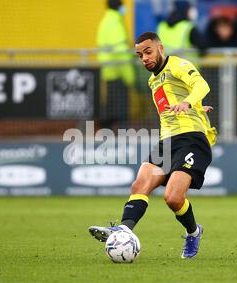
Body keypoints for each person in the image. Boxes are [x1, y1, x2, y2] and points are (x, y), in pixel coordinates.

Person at [89, 32, 217, 260]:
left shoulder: (177, 64)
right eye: (139, 55)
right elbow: (172, 106)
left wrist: (189, 102)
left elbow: (201, 85)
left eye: (148, 52)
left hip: (192, 140)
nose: (144, 58)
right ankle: (124, 229)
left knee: (173, 198)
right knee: (140, 184)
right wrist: (195, 107)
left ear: (160, 48)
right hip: (166, 142)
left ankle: (194, 232)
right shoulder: (152, 80)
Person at [96, 0, 135, 130]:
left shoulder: (106, 21)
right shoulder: (114, 23)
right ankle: (118, 135)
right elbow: (121, 53)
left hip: (109, 70)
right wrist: (129, 76)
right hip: (118, 71)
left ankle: (107, 131)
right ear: (119, 6)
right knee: (120, 107)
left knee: (110, 104)